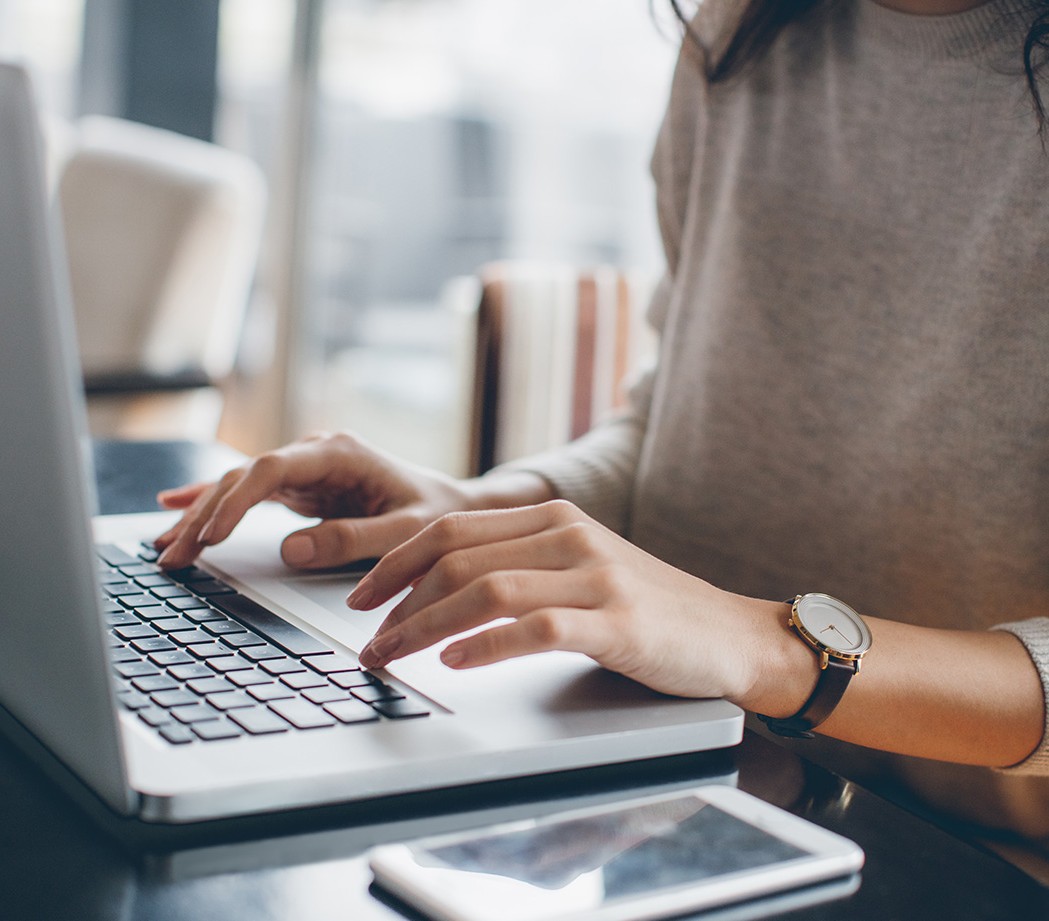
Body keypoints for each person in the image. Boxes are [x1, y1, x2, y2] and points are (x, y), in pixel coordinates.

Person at [156, 0, 1049, 860]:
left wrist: (763, 643)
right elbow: (676, 415)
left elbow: (735, 632)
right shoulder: (739, 34)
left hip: (976, 857)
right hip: (678, 777)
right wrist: (487, 504)